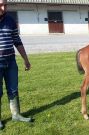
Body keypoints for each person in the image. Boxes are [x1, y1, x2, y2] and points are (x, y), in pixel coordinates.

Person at [0, 0, 32, 129]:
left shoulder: (10, 20)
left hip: (11, 61)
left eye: (5, 4)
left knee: (13, 89)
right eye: (1, 4)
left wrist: (26, 59)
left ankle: (16, 114)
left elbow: (17, 41)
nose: (4, 7)